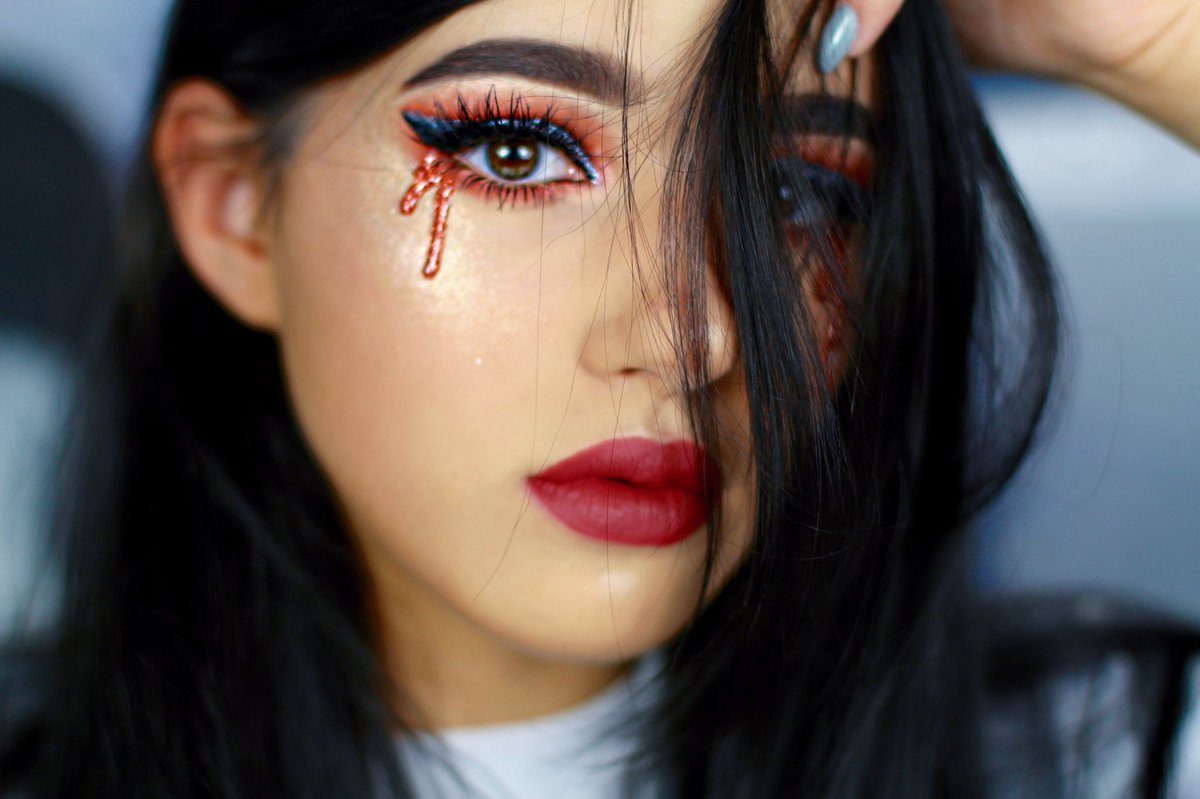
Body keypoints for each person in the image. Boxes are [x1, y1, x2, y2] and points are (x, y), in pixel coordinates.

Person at [0, 0, 1195, 797]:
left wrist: (1150, 41)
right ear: (234, 205)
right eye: (516, 151)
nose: (692, 336)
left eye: (793, 190)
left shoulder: (1104, 756)